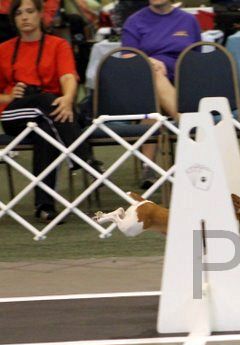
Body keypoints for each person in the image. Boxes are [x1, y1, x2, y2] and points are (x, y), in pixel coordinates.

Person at [0, 0, 102, 222]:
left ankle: (44, 206)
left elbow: (68, 76)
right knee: (47, 100)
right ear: (13, 19)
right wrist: (9, 96)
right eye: (19, 13)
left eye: (29, 12)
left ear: (40, 15)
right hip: (14, 113)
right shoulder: (3, 50)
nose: (24, 17)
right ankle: (81, 156)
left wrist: (67, 98)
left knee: (46, 130)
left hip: (51, 114)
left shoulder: (58, 45)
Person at [121, 0, 201, 188]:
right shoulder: (135, 21)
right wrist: (148, 61)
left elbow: (197, 57)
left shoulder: (189, 21)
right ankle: (191, 130)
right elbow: (127, 56)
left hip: (185, 84)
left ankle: (148, 166)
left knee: (154, 104)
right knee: (154, 76)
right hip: (145, 84)